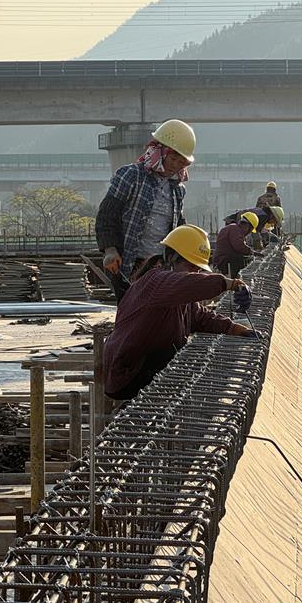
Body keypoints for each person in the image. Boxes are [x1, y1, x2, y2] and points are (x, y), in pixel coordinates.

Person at [103, 224, 256, 400]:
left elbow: (200, 317)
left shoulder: (175, 292)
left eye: (198, 270)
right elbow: (192, 283)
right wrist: (229, 284)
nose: (195, 273)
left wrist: (235, 329)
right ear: (171, 258)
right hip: (128, 373)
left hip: (146, 366)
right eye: (191, 267)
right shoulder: (156, 281)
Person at [95, 119, 196, 299]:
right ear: (159, 152)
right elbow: (107, 215)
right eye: (173, 159)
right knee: (131, 311)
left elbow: (178, 227)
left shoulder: (178, 190)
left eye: (181, 163)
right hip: (128, 262)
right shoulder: (131, 175)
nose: (175, 165)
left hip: (160, 264)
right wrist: (110, 250)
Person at [213, 211, 262, 277]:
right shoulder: (235, 229)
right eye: (250, 230)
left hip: (223, 260)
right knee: (244, 260)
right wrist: (252, 252)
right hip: (223, 262)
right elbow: (239, 246)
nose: (248, 233)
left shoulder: (235, 229)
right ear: (247, 226)